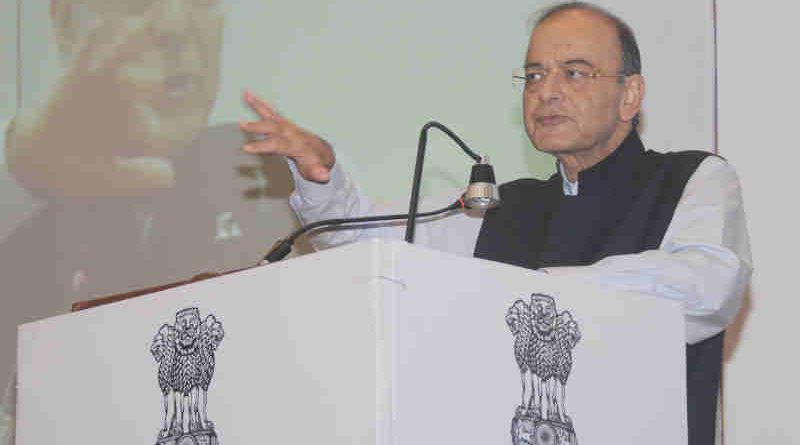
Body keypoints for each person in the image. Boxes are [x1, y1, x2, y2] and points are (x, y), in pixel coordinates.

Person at [239, 2, 752, 445]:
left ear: (630, 96)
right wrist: (324, 178)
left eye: (574, 73)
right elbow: (376, 253)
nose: (546, 91)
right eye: (533, 75)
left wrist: (529, 291)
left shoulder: (691, 177)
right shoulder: (501, 208)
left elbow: (705, 286)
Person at [0, 1, 301, 442]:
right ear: (64, 23)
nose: (176, 25)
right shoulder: (23, 221)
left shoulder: (275, 178)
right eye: (133, 3)